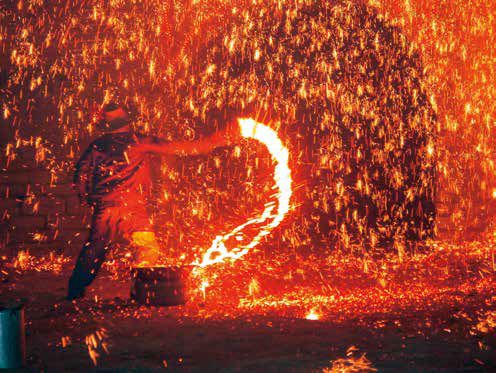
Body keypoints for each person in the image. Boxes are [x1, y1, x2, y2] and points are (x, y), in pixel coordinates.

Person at [67, 102, 240, 300]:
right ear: (129, 120)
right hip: (133, 210)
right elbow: (182, 148)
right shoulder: (139, 140)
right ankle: (142, 291)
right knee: (148, 251)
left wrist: (86, 198)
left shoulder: (97, 145)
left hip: (109, 208)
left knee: (96, 250)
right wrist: (218, 140)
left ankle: (75, 291)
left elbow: (80, 173)